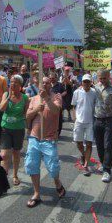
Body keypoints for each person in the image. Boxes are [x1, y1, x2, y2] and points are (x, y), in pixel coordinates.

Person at [25, 77, 65, 208]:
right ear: (39, 84)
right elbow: (28, 116)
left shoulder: (56, 96)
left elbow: (56, 111)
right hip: (34, 137)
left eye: (47, 82)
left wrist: (47, 99)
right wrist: (36, 109)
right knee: (32, 165)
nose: (45, 84)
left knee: (53, 168)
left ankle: (58, 183)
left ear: (50, 84)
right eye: (43, 82)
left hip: (49, 138)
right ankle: (36, 193)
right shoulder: (34, 98)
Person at [0, 75, 29, 185]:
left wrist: (29, 127)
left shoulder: (25, 98)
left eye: (15, 82)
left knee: (16, 153)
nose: (12, 84)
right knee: (4, 155)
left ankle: (15, 175)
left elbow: (26, 114)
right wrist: (8, 97)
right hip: (6, 128)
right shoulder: (6, 94)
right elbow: (1, 108)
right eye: (11, 82)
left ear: (20, 86)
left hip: (19, 129)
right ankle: (2, 179)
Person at [94, 69, 112, 183]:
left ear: (109, 76)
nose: (102, 80)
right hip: (97, 120)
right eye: (100, 78)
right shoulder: (95, 87)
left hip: (109, 120)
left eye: (104, 78)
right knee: (99, 145)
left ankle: (107, 170)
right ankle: (103, 163)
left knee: (108, 145)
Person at [71, 74, 97, 176]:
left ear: (91, 82)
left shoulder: (94, 92)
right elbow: (73, 105)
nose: (86, 83)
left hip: (90, 122)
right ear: (82, 82)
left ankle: (86, 165)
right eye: (84, 81)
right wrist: (74, 117)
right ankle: (83, 154)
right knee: (78, 142)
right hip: (79, 121)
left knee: (89, 143)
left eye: (88, 81)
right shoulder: (77, 92)